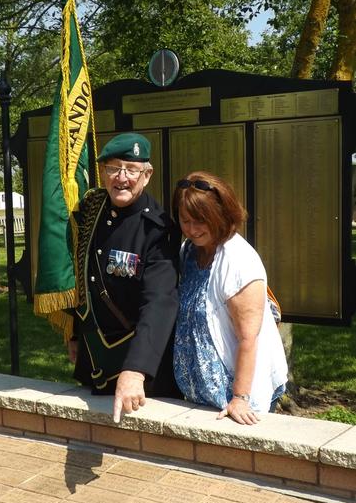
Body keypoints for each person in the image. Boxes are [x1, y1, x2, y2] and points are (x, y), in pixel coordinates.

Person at [69, 132, 181, 423]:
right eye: (113, 168)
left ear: (147, 175)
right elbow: (82, 277)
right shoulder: (91, 212)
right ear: (103, 172)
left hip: (136, 367)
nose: (122, 178)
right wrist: (74, 334)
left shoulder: (156, 230)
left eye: (131, 170)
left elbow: (159, 302)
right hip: (94, 357)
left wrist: (136, 370)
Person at [172, 171, 288, 425]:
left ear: (220, 215)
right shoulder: (190, 250)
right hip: (199, 398)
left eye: (200, 221)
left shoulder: (238, 261)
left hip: (232, 399)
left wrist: (240, 397)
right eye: (185, 220)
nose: (191, 229)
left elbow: (248, 337)